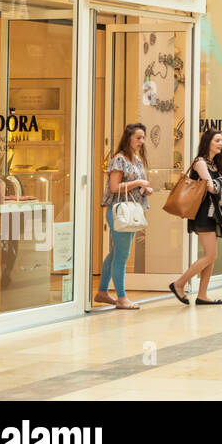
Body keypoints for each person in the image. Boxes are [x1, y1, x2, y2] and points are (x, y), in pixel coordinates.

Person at [169, 129, 222, 306]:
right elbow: (211, 188)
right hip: (203, 213)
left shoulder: (215, 164)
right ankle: (179, 284)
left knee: (211, 255)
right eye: (217, 140)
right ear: (208, 142)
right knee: (211, 255)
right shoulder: (200, 162)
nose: (221, 144)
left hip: (214, 213)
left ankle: (203, 294)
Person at [95, 122, 153, 311]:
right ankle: (121, 297)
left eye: (143, 138)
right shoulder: (119, 160)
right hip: (119, 212)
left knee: (115, 253)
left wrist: (144, 189)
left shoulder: (135, 160)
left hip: (131, 210)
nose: (141, 141)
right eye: (138, 137)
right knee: (122, 254)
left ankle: (102, 292)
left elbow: (133, 186)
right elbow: (114, 187)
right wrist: (137, 182)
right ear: (128, 137)